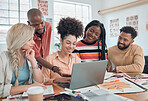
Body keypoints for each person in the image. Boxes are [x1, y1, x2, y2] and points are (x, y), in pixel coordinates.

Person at [0, 23, 45, 98]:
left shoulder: (28, 58)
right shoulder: (3, 58)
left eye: (32, 39)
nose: (33, 43)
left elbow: (39, 82)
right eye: (29, 40)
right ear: (20, 40)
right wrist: (27, 87)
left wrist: (33, 61)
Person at [42, 17, 83, 84]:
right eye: (68, 43)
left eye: (74, 43)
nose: (71, 47)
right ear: (61, 40)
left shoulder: (76, 59)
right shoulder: (50, 59)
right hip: (56, 91)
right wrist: (55, 81)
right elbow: (43, 81)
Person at [27, 8, 64, 75]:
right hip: (33, 65)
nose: (40, 27)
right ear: (29, 23)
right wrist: (53, 68)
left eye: (42, 23)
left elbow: (45, 48)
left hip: (45, 63)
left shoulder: (48, 26)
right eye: (36, 25)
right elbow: (37, 57)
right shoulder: (28, 34)